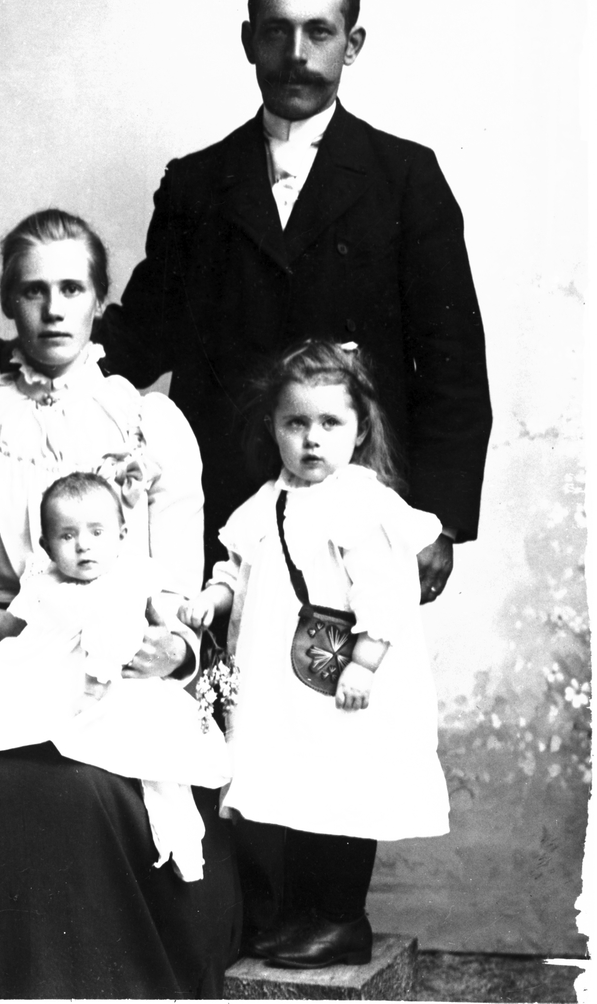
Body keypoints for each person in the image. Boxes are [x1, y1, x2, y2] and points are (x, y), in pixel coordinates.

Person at [0, 209, 240, 999]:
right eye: (33, 291)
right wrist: (4, 629)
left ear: (99, 299)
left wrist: (174, 650)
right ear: (9, 301)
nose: (53, 309)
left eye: (72, 289)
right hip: (2, 690)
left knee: (99, 787)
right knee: (25, 791)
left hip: (123, 690)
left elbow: (179, 595)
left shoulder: (150, 423)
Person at [99, 0, 492, 601]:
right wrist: (34, 369)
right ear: (249, 41)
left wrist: (439, 522)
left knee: (351, 663)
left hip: (358, 497)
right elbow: (145, 334)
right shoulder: (197, 184)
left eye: (319, 32)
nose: (296, 55)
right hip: (218, 502)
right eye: (277, 31)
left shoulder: (405, 179)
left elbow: (452, 362)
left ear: (352, 44)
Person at [178, 339, 450, 967]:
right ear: (272, 427)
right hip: (283, 684)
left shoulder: (360, 503)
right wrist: (213, 597)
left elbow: (386, 592)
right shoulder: (268, 501)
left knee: (341, 787)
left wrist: (365, 662)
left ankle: (342, 919)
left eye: (330, 423)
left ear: (360, 431)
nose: (312, 439)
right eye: (295, 423)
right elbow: (238, 567)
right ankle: (304, 919)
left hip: (339, 678)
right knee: (300, 792)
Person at [0, 471, 230, 884]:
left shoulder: (131, 577)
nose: (83, 545)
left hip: (120, 684)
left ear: (121, 535)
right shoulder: (44, 582)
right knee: (11, 766)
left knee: (131, 769)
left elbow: (173, 614)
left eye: (97, 533)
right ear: (47, 546)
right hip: (39, 672)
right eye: (67, 536)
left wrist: (174, 648)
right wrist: (15, 633)